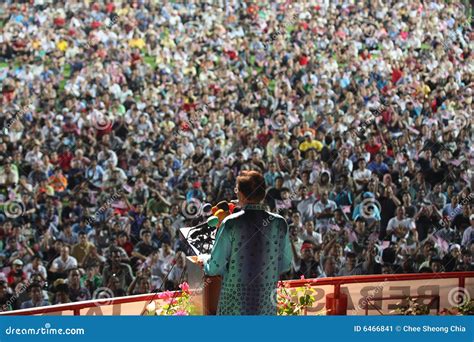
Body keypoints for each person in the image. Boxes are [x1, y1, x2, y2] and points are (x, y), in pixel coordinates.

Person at [204, 171, 292, 315]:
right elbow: (286, 264)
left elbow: (214, 268)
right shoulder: (279, 223)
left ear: (242, 195)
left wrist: (206, 260)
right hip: (266, 307)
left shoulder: (231, 223)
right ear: (263, 194)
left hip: (234, 308)